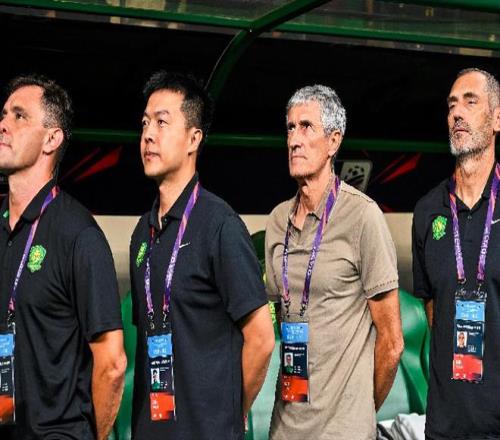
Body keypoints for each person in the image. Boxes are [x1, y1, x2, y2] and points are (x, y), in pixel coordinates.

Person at [129, 71, 275, 439]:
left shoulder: (220, 226)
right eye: (145, 123)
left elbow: (261, 338)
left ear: (194, 139)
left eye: (162, 122)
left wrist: (229, 415)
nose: (148, 135)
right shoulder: (142, 233)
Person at [266, 84, 403, 439]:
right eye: (290, 128)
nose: (294, 140)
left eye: (306, 127)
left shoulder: (362, 216)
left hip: (343, 431)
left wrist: (358, 412)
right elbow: (276, 315)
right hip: (285, 428)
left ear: (333, 141)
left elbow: (392, 342)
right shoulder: (277, 221)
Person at [0, 74, 126, 439]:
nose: (4, 124)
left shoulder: (78, 234)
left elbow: (112, 363)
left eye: (19, 116)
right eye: (3, 114)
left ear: (51, 139)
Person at [413, 68, 500, 439]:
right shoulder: (427, 211)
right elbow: (434, 308)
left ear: (497, 118)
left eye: (470, 101)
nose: (457, 113)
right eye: (451, 105)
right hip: (444, 426)